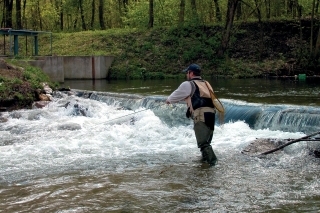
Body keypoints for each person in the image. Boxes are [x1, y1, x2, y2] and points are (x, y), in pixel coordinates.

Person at [165, 63, 218, 166]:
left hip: (200, 114)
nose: (186, 75)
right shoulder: (207, 83)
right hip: (211, 113)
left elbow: (172, 98)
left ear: (191, 73)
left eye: (187, 73)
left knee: (203, 143)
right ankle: (204, 164)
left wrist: (168, 101)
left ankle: (213, 165)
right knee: (206, 142)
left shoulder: (188, 84)